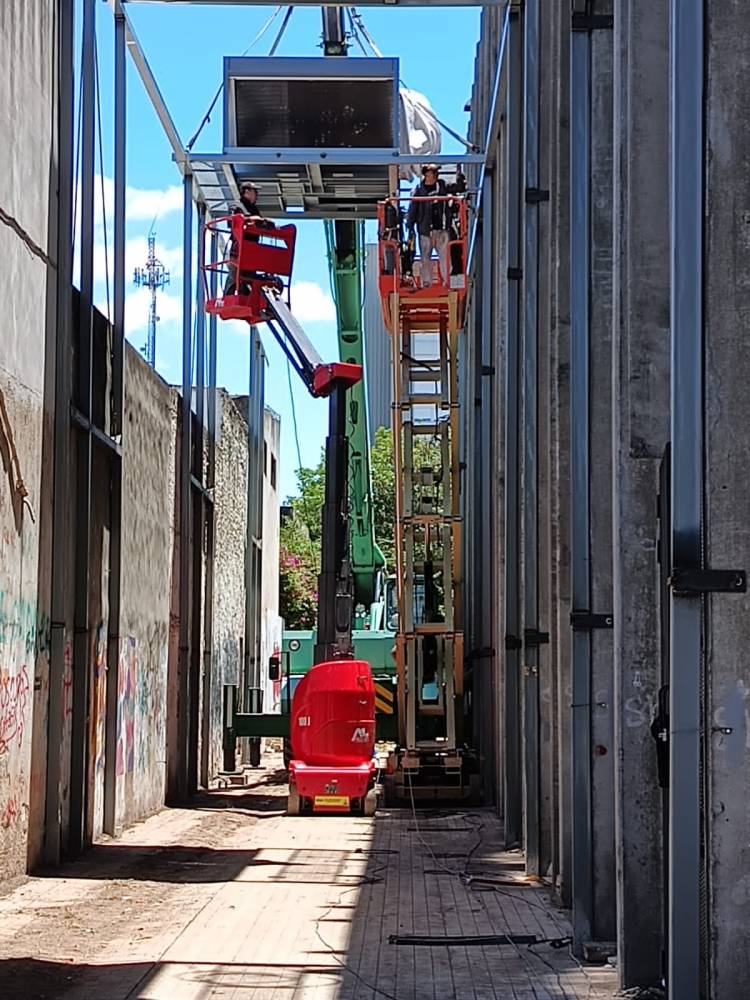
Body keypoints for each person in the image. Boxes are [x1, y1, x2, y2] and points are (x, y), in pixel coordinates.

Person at [406, 164, 466, 288]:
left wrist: (460, 176)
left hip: (441, 229)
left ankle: (447, 282)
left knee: (445, 257)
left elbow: (457, 188)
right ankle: (427, 283)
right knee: (425, 258)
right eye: (434, 172)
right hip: (425, 231)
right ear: (426, 174)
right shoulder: (418, 191)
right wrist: (410, 227)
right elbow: (413, 210)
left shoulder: (442, 185)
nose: (436, 174)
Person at [224, 182, 276, 295]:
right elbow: (234, 221)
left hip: (251, 251)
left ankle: (248, 297)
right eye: (255, 192)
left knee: (248, 279)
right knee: (236, 276)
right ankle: (228, 296)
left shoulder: (254, 209)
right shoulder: (236, 206)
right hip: (239, 251)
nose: (257, 195)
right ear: (247, 192)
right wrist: (252, 219)